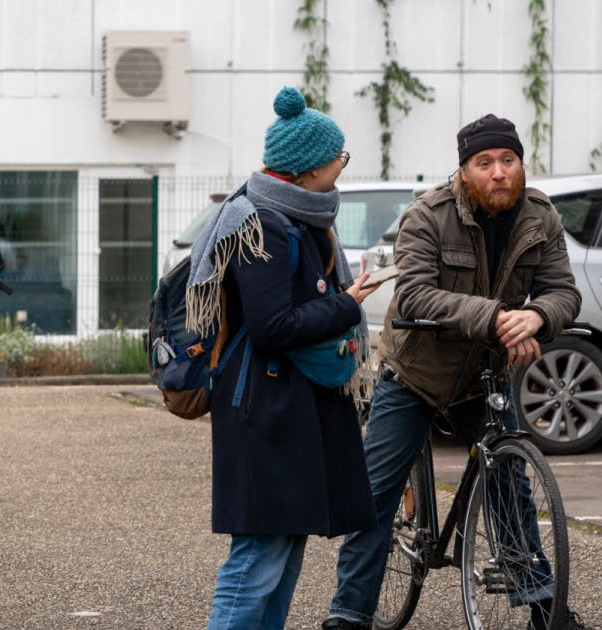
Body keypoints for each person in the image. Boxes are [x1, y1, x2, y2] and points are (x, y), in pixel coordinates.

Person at [323, 115, 591, 630]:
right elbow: (416, 292)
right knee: (376, 495)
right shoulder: (428, 214)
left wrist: (537, 315)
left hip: (482, 377)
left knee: (510, 482)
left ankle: (540, 605)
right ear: (465, 170)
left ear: (521, 164)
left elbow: (564, 291)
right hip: (417, 372)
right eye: (484, 163)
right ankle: (349, 613)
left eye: (507, 161)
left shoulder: (540, 215)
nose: (498, 173)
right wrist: (495, 318)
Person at [185, 87, 380, 630]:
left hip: (289, 404)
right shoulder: (264, 223)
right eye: (338, 158)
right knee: (256, 558)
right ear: (309, 167)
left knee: (283, 548)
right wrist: (347, 304)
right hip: (266, 406)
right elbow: (273, 328)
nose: (341, 167)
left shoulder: (297, 217)